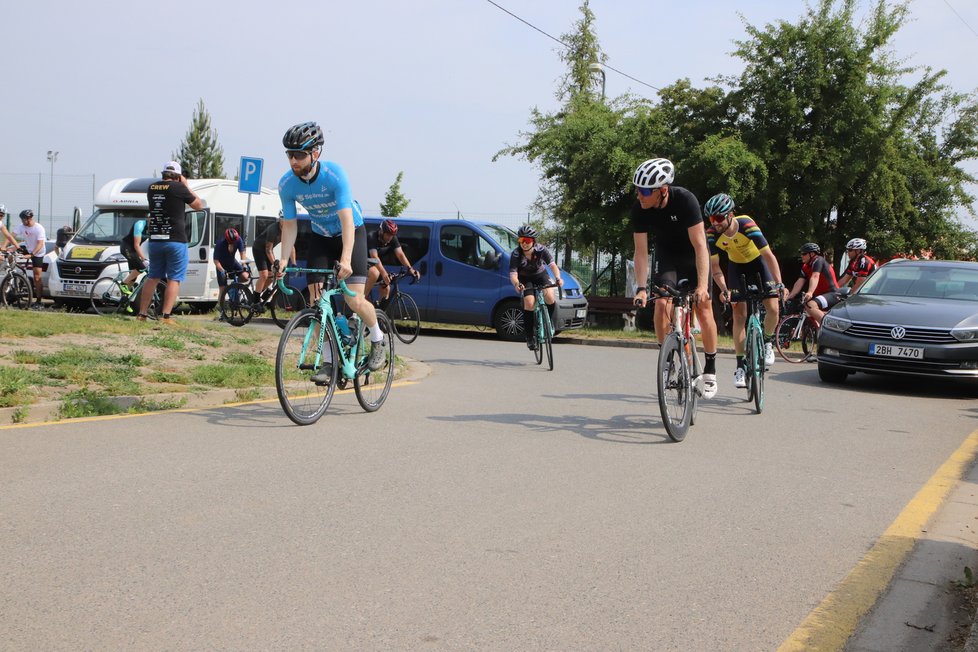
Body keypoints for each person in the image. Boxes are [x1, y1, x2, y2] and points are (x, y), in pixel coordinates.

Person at [275, 121, 387, 376]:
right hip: (321, 236)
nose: (293, 161)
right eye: (289, 155)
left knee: (354, 299)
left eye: (299, 155)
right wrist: (282, 260)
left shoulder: (334, 175)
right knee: (317, 304)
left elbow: (347, 219)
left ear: (316, 153)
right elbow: (290, 225)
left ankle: (378, 339)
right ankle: (328, 362)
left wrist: (346, 259)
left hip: (352, 233)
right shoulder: (287, 184)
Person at [631, 158, 719, 398]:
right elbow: (640, 252)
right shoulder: (640, 208)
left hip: (692, 255)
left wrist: (702, 286)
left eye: (645, 190)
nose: (640, 195)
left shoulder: (685, 200)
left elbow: (701, 245)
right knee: (660, 304)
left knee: (703, 306)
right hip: (667, 256)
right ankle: (668, 359)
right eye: (638, 189)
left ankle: (710, 369)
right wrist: (641, 288)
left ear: (662, 190)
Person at [703, 193, 785, 388]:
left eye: (719, 218)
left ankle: (767, 342)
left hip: (759, 265)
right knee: (739, 314)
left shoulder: (746, 224)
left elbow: (768, 255)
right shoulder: (712, 233)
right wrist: (724, 290)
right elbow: (715, 268)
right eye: (711, 219)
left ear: (730, 215)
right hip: (736, 268)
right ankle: (740, 365)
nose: (715, 223)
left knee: (773, 308)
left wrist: (779, 283)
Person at [137, 161, 205, 325]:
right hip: (175, 240)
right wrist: (186, 185)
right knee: (174, 278)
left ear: (163, 173)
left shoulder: (151, 188)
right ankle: (166, 316)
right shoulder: (179, 188)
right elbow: (198, 205)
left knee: (153, 277)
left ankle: (142, 314)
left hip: (155, 240)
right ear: (178, 176)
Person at [508, 225, 563, 350]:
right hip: (525, 278)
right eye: (521, 240)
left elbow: (552, 265)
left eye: (527, 241)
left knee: (549, 296)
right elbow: (513, 274)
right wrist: (517, 284)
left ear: (533, 241)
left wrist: (558, 278)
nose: (524, 244)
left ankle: (549, 323)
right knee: (529, 302)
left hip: (540, 275)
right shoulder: (516, 254)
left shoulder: (541, 249)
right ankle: (529, 337)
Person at [363, 219, 421, 303]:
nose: (390, 237)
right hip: (364, 262)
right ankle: (362, 300)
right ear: (382, 232)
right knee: (375, 273)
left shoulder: (392, 238)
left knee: (386, 289)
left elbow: (400, 254)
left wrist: (410, 269)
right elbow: (374, 257)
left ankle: (379, 313)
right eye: (388, 235)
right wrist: (384, 274)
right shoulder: (372, 236)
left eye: (392, 235)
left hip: (375, 265)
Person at [785, 242, 840, 328]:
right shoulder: (805, 266)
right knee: (805, 306)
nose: (802, 256)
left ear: (812, 254)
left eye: (804, 253)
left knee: (810, 305)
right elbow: (800, 281)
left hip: (833, 294)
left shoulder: (818, 260)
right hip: (821, 295)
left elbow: (815, 276)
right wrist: (791, 295)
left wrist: (810, 292)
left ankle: (829, 328)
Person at [253, 214, 295, 298]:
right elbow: (268, 249)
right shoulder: (273, 229)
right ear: (280, 220)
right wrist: (275, 263)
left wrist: (294, 263)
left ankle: (258, 294)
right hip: (259, 249)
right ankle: (255, 300)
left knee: (272, 275)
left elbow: (291, 247)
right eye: (284, 219)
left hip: (268, 250)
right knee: (264, 275)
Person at [11, 209, 47, 309]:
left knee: (37, 278)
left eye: (23, 219)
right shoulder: (22, 227)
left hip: (37, 253)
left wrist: (31, 255)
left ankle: (39, 301)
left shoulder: (39, 228)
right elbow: (11, 236)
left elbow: (40, 244)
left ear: (28, 218)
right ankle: (13, 285)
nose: (22, 222)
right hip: (27, 249)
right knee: (10, 255)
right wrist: (6, 246)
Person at [213, 227, 250, 320]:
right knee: (222, 288)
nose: (233, 243)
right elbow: (216, 261)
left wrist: (244, 265)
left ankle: (235, 287)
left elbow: (242, 255)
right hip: (221, 265)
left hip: (232, 263)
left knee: (245, 276)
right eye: (231, 242)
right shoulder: (220, 243)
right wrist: (222, 270)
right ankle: (221, 311)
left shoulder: (239, 239)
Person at [120, 218, 148, 292]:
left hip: (133, 250)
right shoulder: (140, 224)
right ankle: (123, 284)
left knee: (133, 277)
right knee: (141, 268)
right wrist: (144, 259)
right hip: (127, 247)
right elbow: (136, 245)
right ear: (149, 219)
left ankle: (125, 299)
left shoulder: (153, 229)